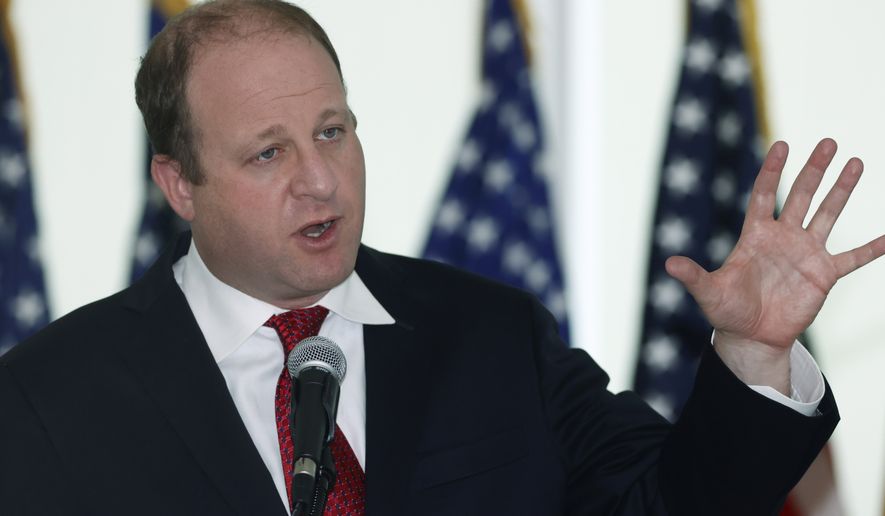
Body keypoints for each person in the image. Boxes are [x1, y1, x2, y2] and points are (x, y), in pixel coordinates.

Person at [1, 1, 882, 515]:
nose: (321, 180)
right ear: (179, 183)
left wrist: (757, 353)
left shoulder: (493, 336)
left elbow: (671, 504)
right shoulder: (51, 398)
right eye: (267, 153)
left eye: (332, 131)